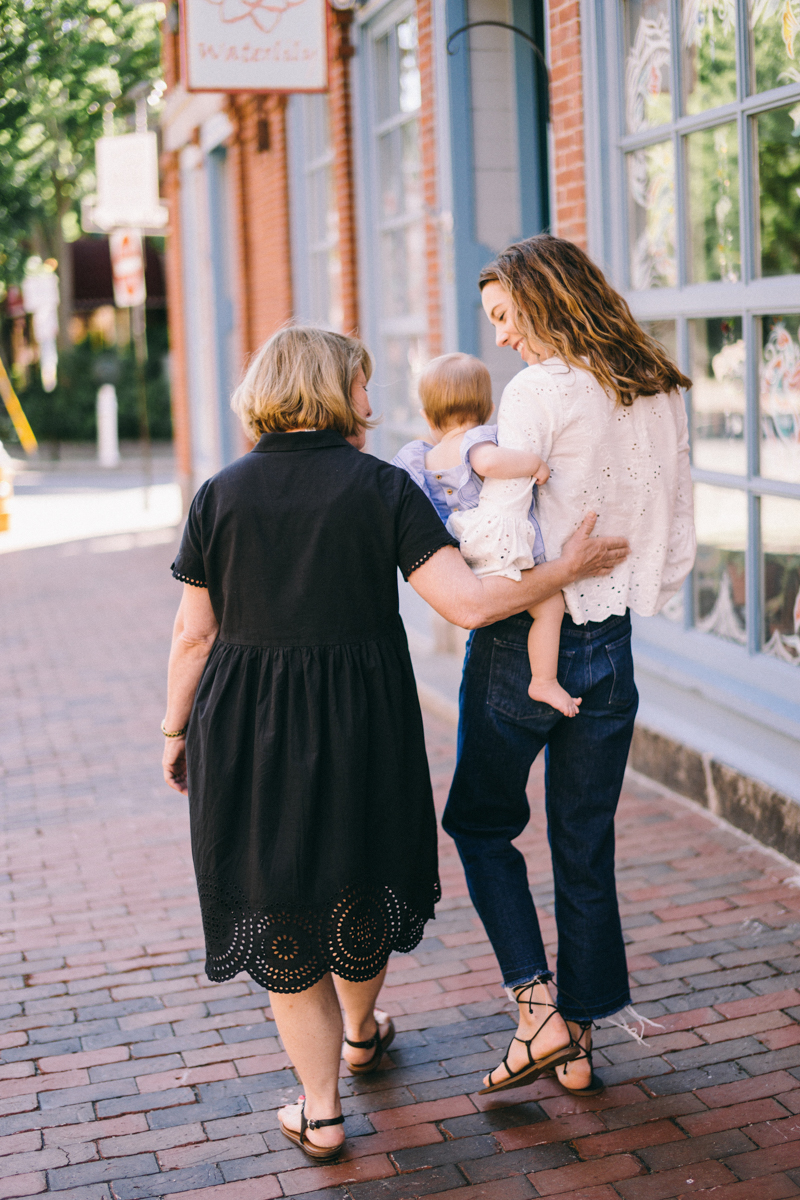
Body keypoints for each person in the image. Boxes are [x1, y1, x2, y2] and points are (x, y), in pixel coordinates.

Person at [161, 325, 630, 1160]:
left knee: (280, 906)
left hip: (247, 723)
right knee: (359, 879)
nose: (374, 402)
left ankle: (321, 1108)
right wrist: (563, 571)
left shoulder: (218, 494)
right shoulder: (382, 488)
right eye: (363, 382)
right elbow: (470, 605)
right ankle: (361, 1030)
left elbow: (193, 635)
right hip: (360, 721)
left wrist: (174, 727)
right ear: (334, 390)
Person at [442, 234, 695, 1096]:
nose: (503, 339)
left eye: (507, 318)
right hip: (612, 639)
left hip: (527, 640)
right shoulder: (651, 384)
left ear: (543, 299)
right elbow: (675, 504)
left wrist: (455, 499)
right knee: (583, 842)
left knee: (479, 825)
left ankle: (537, 1007)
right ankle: (579, 1041)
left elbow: (507, 539)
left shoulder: (538, 393)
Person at [394, 352, 580, 717]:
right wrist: (534, 464)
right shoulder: (479, 439)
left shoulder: (421, 458)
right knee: (551, 605)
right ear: (489, 406)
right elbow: (488, 464)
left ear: (428, 417)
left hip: (465, 559)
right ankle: (543, 680)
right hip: (500, 548)